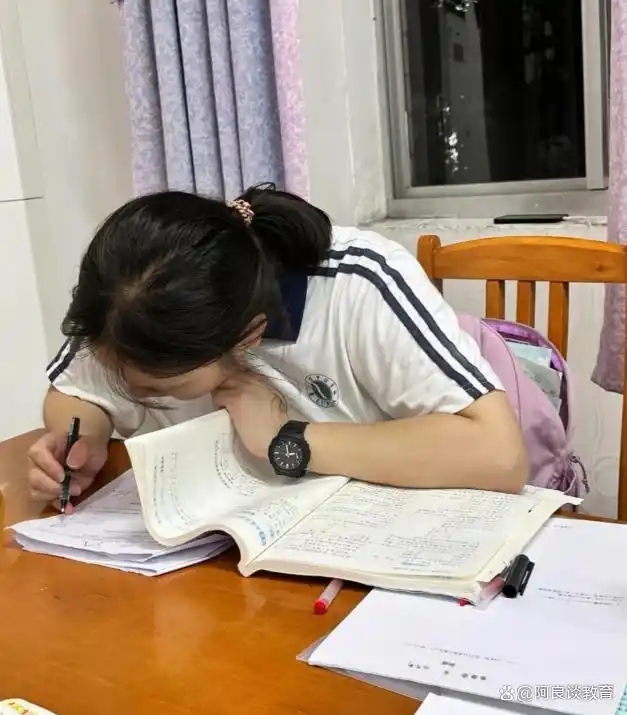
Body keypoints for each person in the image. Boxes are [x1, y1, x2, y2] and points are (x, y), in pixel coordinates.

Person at [28, 185, 528, 512]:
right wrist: (83, 439)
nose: (132, 394)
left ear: (248, 336)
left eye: (161, 388)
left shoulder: (359, 284)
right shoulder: (124, 303)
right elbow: (74, 391)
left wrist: (286, 439)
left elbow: (499, 454)